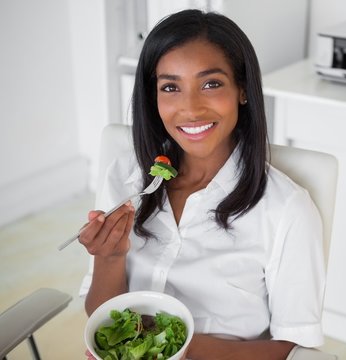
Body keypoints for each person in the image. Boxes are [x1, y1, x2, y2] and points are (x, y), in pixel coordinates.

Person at [79, 9, 325, 360]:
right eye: (170, 87)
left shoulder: (287, 209)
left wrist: (174, 347)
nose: (190, 109)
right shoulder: (125, 178)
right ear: (154, 97)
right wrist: (110, 257)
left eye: (211, 84)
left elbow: (292, 348)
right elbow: (100, 314)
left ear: (242, 89)